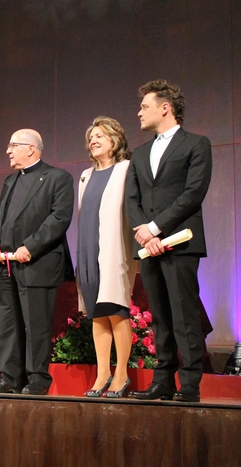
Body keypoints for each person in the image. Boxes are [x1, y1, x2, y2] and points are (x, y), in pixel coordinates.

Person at [126, 80, 213, 403]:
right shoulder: (141, 152)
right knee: (160, 315)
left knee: (183, 313)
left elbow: (193, 194)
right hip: (149, 247)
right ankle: (162, 380)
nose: (139, 112)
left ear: (165, 107)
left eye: (144, 106)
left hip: (181, 242)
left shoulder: (196, 144)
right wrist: (144, 232)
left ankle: (189, 384)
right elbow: (131, 199)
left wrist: (156, 227)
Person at [0, 129, 74, 396]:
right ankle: (10, 377)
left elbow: (59, 218)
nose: (8, 151)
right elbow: (0, 219)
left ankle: (37, 380)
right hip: (6, 265)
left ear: (31, 148)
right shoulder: (10, 181)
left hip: (37, 263)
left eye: (13, 146)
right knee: (7, 324)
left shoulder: (58, 178)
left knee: (37, 325)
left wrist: (30, 246)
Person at [77, 117, 137, 398]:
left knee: (115, 309)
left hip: (114, 250)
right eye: (91, 137)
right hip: (88, 250)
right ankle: (102, 374)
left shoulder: (125, 169)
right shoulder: (86, 176)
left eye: (101, 135)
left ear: (115, 140)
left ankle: (122, 374)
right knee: (98, 315)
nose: (94, 140)